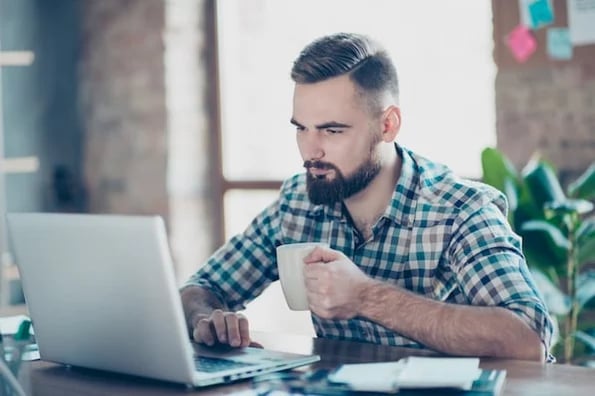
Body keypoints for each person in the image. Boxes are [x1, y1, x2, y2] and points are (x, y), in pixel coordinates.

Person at [180, 32, 553, 361]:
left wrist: (365, 296)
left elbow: (529, 338)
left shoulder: (459, 209)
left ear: (387, 125)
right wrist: (207, 319)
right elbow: (199, 290)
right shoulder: (298, 200)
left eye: (333, 131)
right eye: (301, 129)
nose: (311, 151)